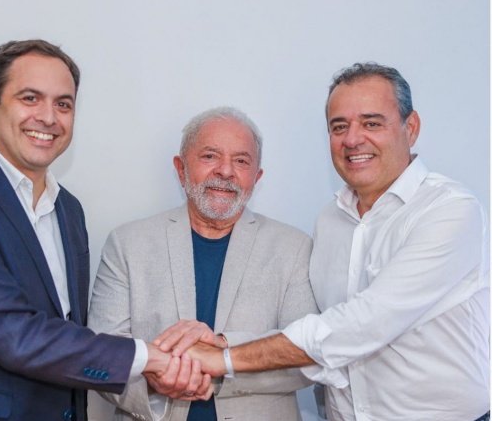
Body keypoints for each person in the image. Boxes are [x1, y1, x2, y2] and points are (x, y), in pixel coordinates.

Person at [164, 63, 490, 421]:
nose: (352, 139)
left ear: (410, 128)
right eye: (339, 127)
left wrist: (223, 357)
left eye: (371, 123)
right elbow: (321, 332)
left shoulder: (449, 210)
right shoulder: (329, 220)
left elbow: (365, 323)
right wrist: (223, 344)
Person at [0, 39, 179, 421]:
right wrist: (149, 358)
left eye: (63, 104)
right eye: (30, 98)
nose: (48, 117)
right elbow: (10, 332)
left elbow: (64, 335)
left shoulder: (69, 210)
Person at [87, 106, 318, 421]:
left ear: (257, 177)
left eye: (241, 161)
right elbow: (102, 357)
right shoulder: (126, 244)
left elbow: (307, 358)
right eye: (210, 156)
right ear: (180, 168)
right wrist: (157, 382)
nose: (226, 171)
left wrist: (221, 361)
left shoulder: (294, 247)